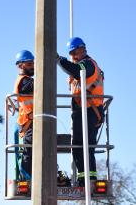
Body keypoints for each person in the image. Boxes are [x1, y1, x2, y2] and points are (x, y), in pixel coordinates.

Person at [57, 37, 104, 186]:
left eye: (75, 52)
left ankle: (88, 179)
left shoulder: (88, 65)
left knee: (84, 146)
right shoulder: (82, 66)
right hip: (83, 111)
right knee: (81, 147)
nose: (73, 56)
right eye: (71, 53)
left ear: (83, 49)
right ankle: (85, 178)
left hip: (90, 111)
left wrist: (59, 60)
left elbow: (77, 70)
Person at [13, 50, 35, 180]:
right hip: (29, 122)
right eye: (29, 63)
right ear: (21, 65)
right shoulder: (23, 82)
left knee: (32, 150)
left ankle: (31, 175)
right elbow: (37, 85)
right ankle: (26, 177)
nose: (33, 66)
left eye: (33, 63)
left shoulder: (26, 81)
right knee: (29, 150)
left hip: (31, 121)